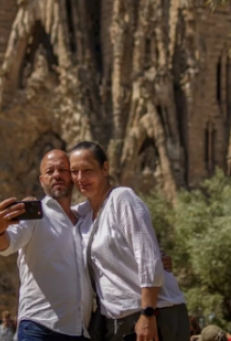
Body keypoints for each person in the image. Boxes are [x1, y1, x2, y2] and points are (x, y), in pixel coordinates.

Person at [70, 141, 189, 341]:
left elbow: (148, 258)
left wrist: (147, 314)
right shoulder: (84, 216)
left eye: (87, 170)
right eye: (74, 172)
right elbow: (54, 214)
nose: (80, 178)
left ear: (105, 168)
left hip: (152, 314)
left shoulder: (123, 199)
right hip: (117, 320)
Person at [0, 149, 92, 341]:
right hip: (40, 328)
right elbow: (7, 243)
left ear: (72, 176)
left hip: (79, 330)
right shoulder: (34, 213)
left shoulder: (85, 220)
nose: (57, 175)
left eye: (62, 169)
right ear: (42, 180)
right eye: (50, 171)